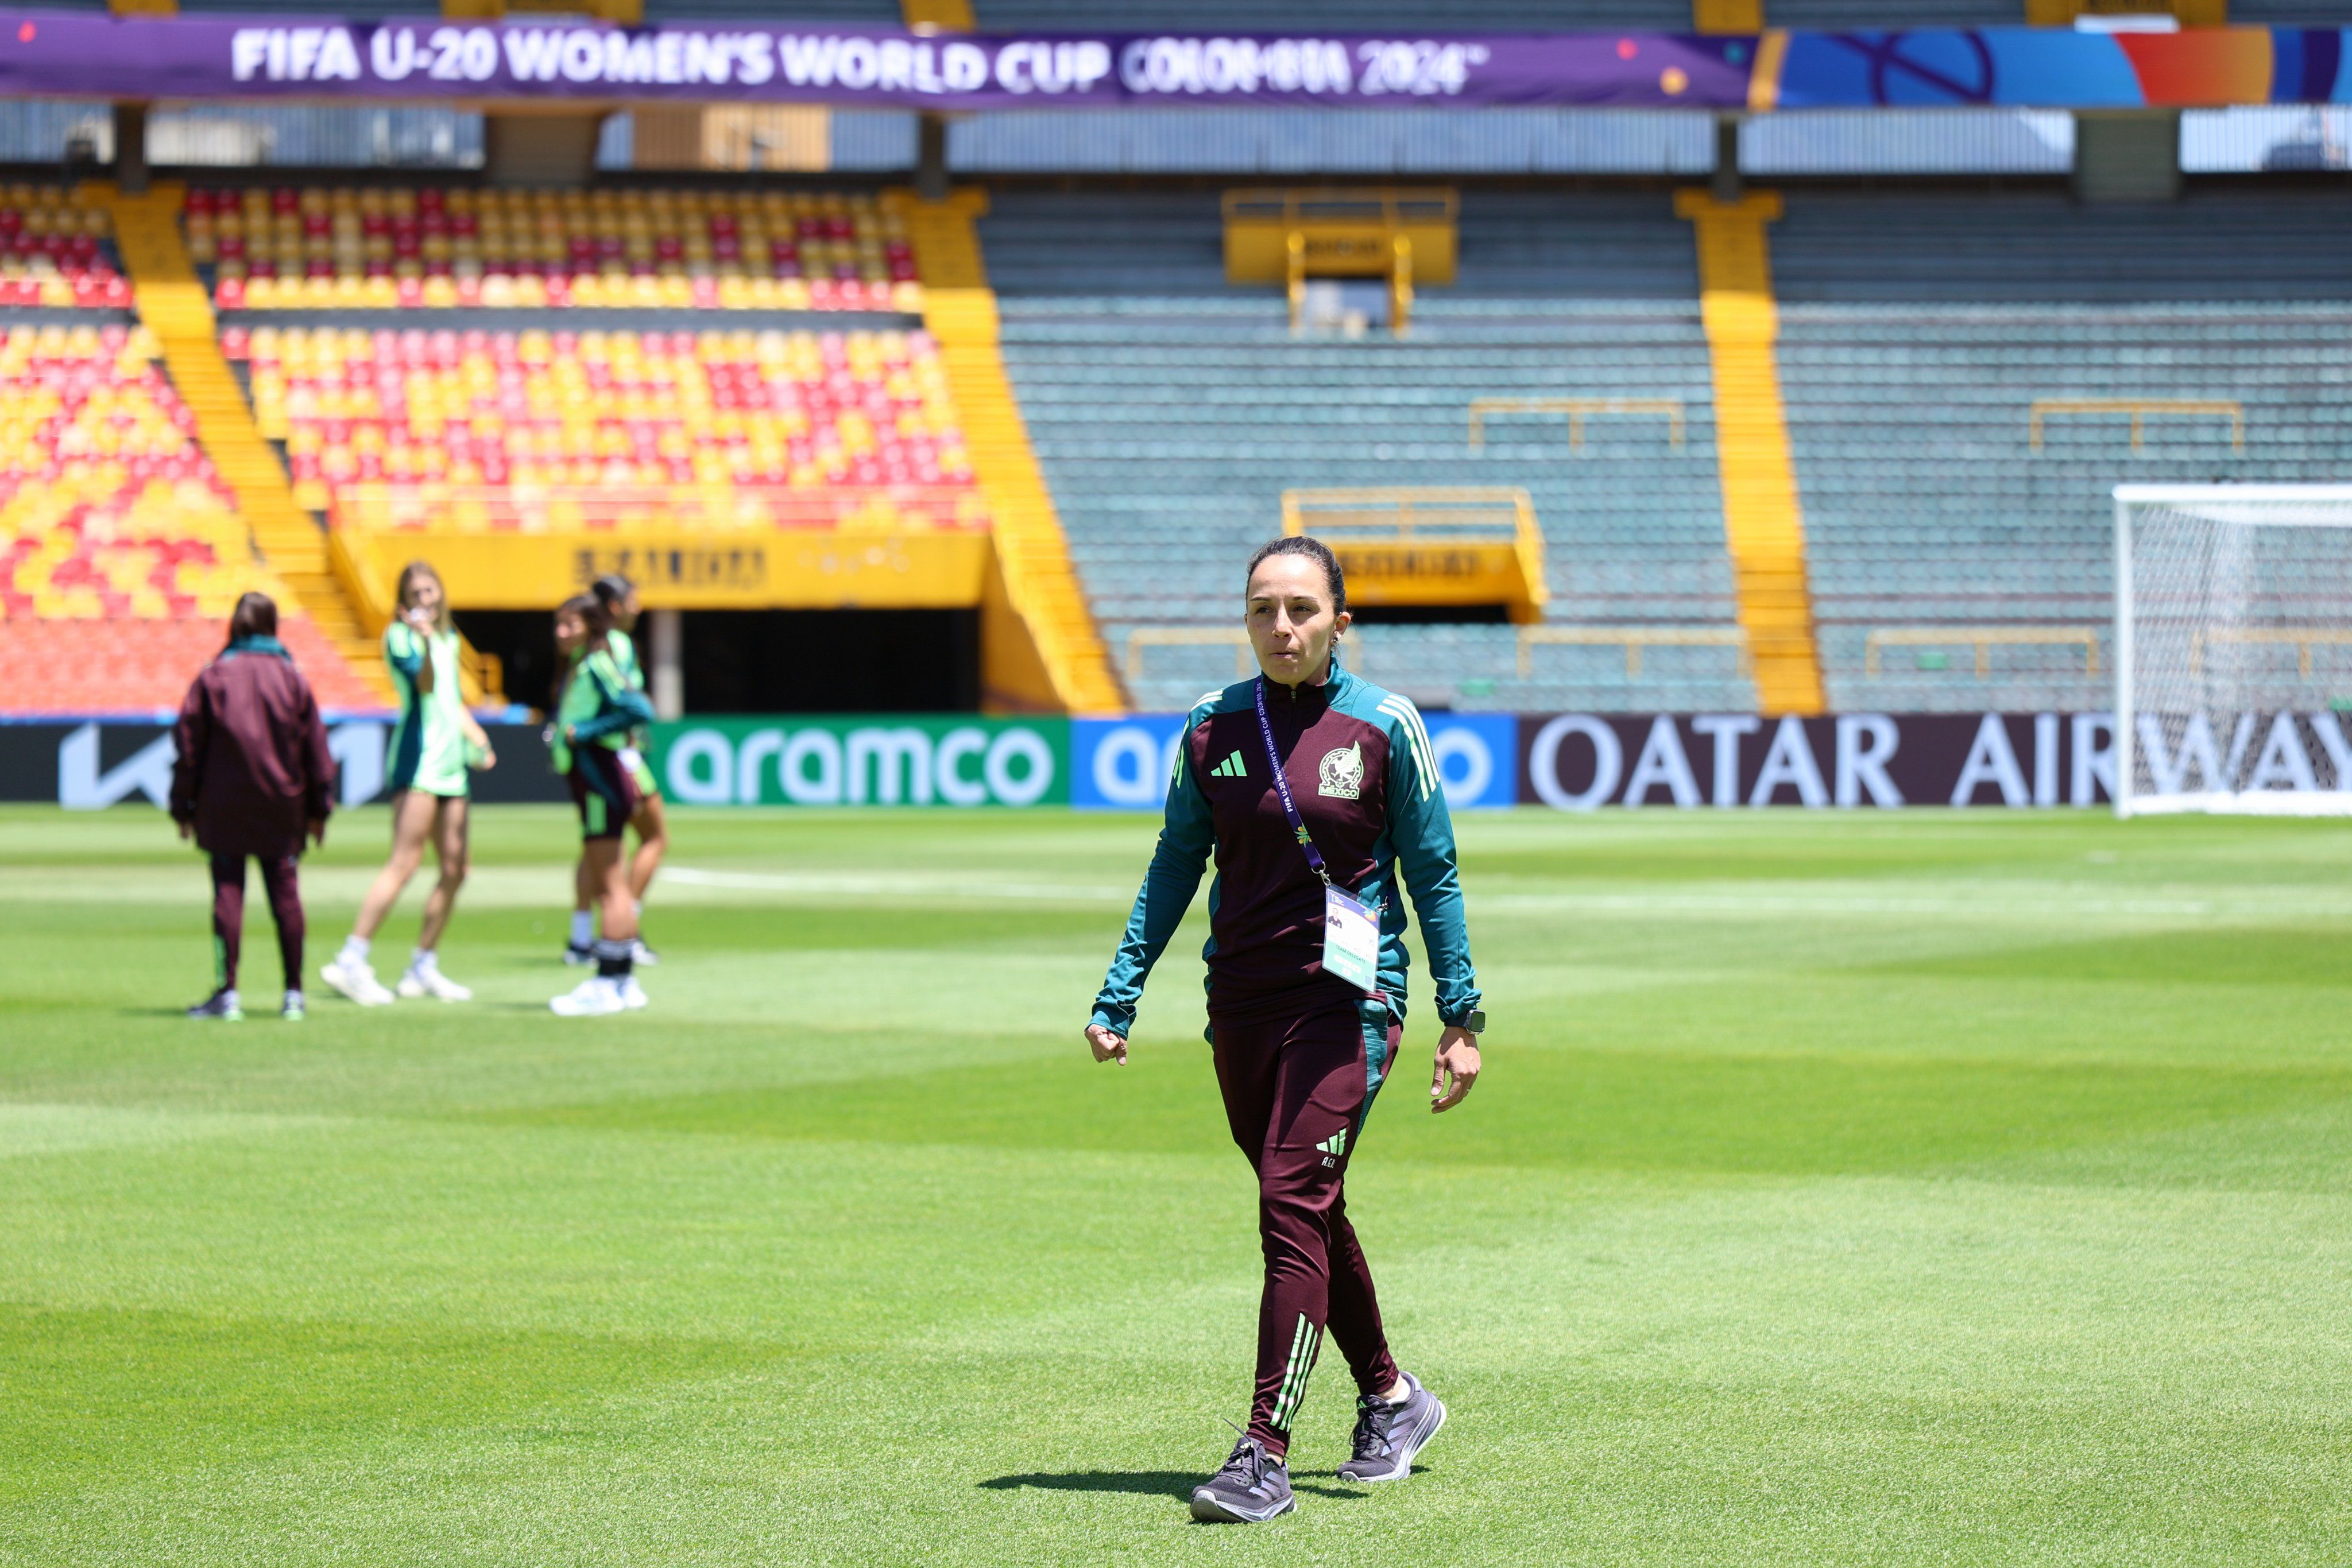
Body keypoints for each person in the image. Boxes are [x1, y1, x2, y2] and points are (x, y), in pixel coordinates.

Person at [1086, 536, 1486, 1524]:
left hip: (1350, 1006)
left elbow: (1431, 874)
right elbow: (1175, 863)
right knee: (1305, 1203)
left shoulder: (1385, 725)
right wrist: (1119, 990)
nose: (1281, 626)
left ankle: (1263, 1451)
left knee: (1286, 1198)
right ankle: (1394, 1398)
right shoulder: (1210, 726)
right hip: (1243, 1008)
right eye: (1264, 607)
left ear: (1339, 622)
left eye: (1302, 609)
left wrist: (1461, 1016)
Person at [320, 560, 496, 1005]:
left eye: (430, 590)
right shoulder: (400, 638)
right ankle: (351, 959)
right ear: (403, 601)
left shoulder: (449, 637)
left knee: (457, 869)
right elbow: (424, 685)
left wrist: (478, 738)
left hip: (452, 767)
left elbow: (451, 700)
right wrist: (420, 640)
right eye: (416, 593)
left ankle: (423, 965)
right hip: (418, 765)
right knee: (405, 862)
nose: (425, 599)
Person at [169, 593, 336, 1022]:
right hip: (282, 806)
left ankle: (228, 993)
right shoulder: (291, 676)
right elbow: (318, 750)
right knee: (286, 895)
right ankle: (293, 994)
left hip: (222, 806)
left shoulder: (213, 677)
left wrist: (182, 807)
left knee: (228, 892)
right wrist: (321, 809)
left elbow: (189, 749)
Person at [548, 593, 656, 1016]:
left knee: (610, 886)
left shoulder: (596, 664)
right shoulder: (582, 664)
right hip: (595, 777)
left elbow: (638, 707)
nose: (560, 633)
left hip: (600, 778)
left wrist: (587, 730)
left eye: (569, 624)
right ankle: (624, 979)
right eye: (558, 624)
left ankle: (608, 981)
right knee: (615, 886)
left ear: (591, 626)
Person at [562, 573, 666, 967]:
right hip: (617, 759)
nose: (640, 606)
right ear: (617, 606)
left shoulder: (591, 653)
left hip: (603, 761)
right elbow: (631, 706)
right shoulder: (612, 647)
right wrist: (590, 732)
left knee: (601, 851)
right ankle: (622, 936)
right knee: (633, 850)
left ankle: (584, 937)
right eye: (634, 599)